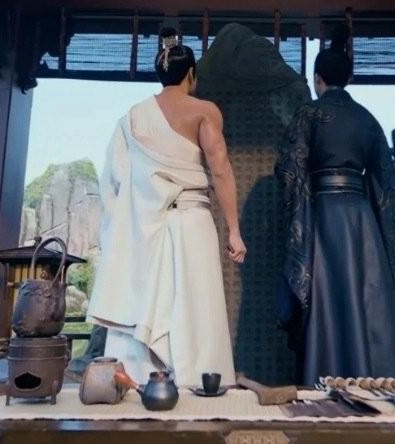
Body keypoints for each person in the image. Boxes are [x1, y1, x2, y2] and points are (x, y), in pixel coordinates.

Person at [86, 27, 246, 388]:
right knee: (197, 304)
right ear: (191, 74)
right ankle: (200, 381)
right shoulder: (204, 111)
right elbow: (221, 169)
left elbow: (114, 182)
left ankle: (135, 380)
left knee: (144, 298)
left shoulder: (132, 118)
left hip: (143, 225)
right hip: (192, 221)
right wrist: (234, 231)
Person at [275, 27, 395, 384]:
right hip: (362, 220)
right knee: (366, 294)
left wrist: (299, 210)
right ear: (348, 78)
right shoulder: (367, 119)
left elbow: (290, 169)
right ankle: (375, 380)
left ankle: (325, 375)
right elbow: (386, 180)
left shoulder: (309, 114)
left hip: (322, 215)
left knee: (325, 295)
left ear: (317, 79)